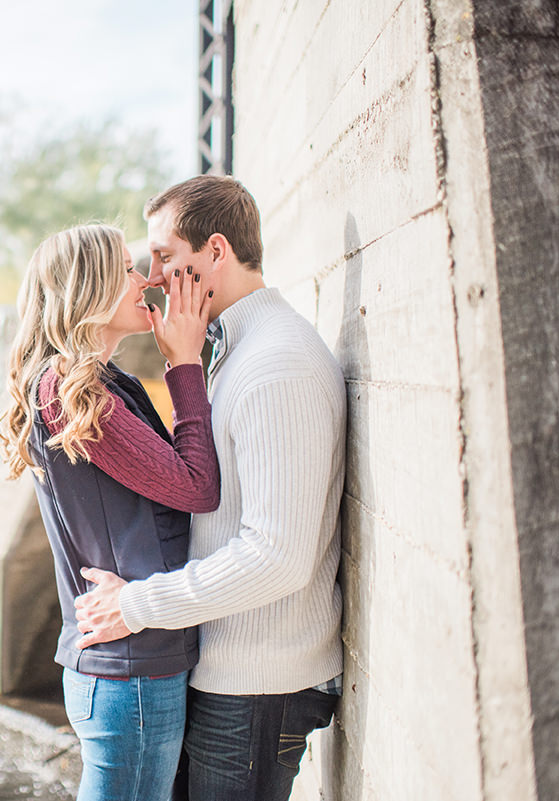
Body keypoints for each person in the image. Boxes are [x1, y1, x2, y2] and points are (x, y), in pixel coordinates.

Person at [73, 175, 346, 801]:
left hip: (258, 688)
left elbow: (277, 556)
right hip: (228, 675)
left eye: (166, 257)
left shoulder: (278, 364)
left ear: (215, 252)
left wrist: (135, 606)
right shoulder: (238, 350)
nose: (155, 276)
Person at [0, 222, 220, 801]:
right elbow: (195, 487)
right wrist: (185, 364)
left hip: (128, 663)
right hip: (130, 671)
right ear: (89, 287)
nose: (145, 280)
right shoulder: (73, 391)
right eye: (127, 270)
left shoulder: (92, 383)